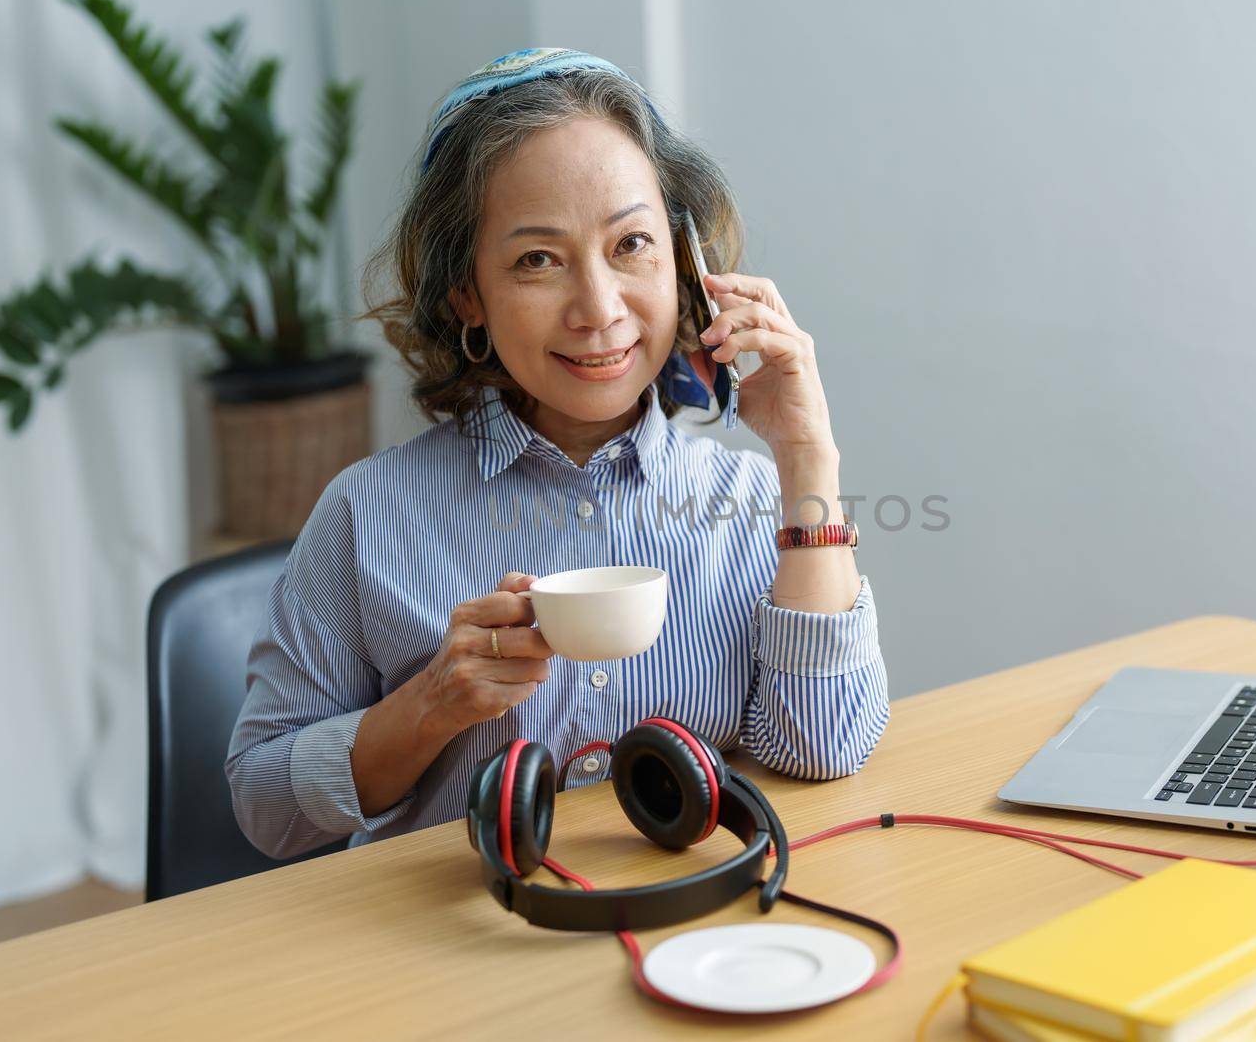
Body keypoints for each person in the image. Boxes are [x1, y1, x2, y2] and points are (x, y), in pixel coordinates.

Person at [225, 49, 890, 859]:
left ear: (685, 268)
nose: (598, 309)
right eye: (537, 259)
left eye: (632, 244)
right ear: (467, 291)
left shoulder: (750, 501)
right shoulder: (366, 513)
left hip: (685, 926)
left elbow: (824, 748)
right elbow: (264, 806)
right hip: (448, 952)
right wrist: (430, 703)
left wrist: (809, 462)